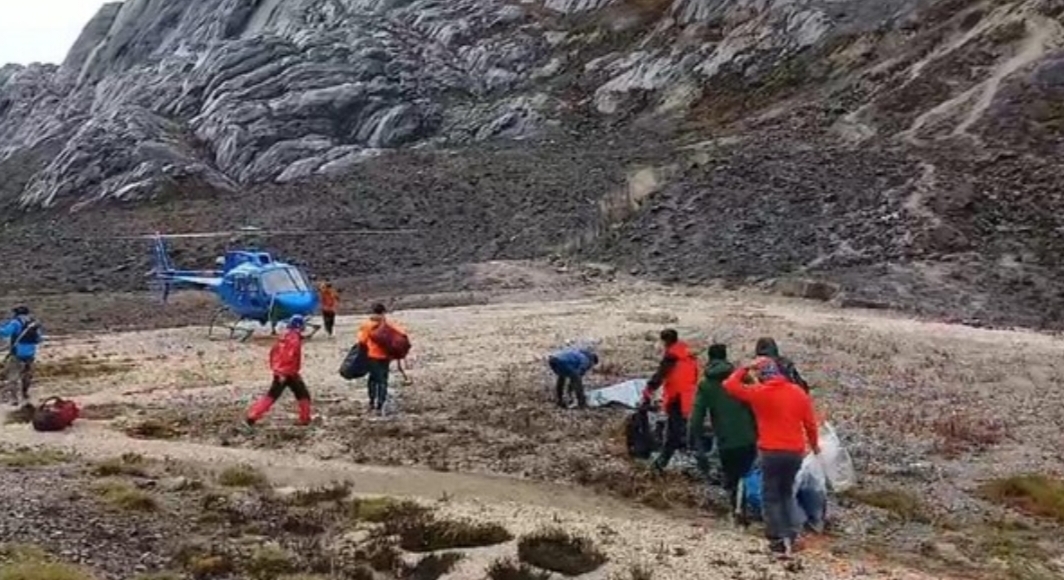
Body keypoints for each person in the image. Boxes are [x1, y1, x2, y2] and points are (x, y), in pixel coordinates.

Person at [723, 356, 819, 558]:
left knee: (771, 496)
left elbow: (729, 385)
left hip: (771, 452)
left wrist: (745, 368)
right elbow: (810, 422)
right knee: (787, 493)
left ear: (762, 375)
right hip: (795, 452)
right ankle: (793, 535)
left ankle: (776, 539)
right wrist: (815, 445)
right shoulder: (797, 392)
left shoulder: (759, 393)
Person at [690, 344, 758, 520]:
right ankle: (745, 510)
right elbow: (757, 405)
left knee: (732, 476)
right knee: (747, 473)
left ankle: (736, 512)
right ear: (726, 357)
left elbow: (696, 419)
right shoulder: (743, 378)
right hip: (749, 436)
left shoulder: (705, 385)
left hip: (726, 440)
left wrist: (695, 444)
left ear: (710, 359)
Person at [641, 328, 700, 474]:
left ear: (664, 341)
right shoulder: (686, 353)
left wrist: (647, 393)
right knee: (683, 427)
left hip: (676, 397)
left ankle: (662, 463)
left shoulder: (671, 356)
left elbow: (659, 376)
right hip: (690, 396)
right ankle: (694, 458)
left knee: (673, 431)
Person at [243, 314, 312, 430]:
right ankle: (252, 417)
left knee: (297, 395)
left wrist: (277, 370)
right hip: (287, 373)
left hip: (285, 372)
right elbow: (288, 357)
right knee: (280, 396)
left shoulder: (284, 336)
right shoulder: (293, 339)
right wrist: (283, 373)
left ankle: (252, 416)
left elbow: (274, 354)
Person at [357, 303, 408, 413]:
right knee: (383, 379)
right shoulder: (388, 324)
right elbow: (402, 334)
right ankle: (381, 403)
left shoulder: (367, 325)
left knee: (373, 379)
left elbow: (362, 341)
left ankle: (372, 402)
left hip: (372, 355)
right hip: (386, 356)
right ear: (383, 312)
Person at [0, 306, 43, 408]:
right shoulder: (33, 324)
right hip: (30, 354)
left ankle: (14, 399)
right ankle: (25, 393)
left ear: (16, 313)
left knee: (13, 377)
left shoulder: (15, 323)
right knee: (27, 375)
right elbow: (39, 339)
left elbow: (5, 333)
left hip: (17, 354)